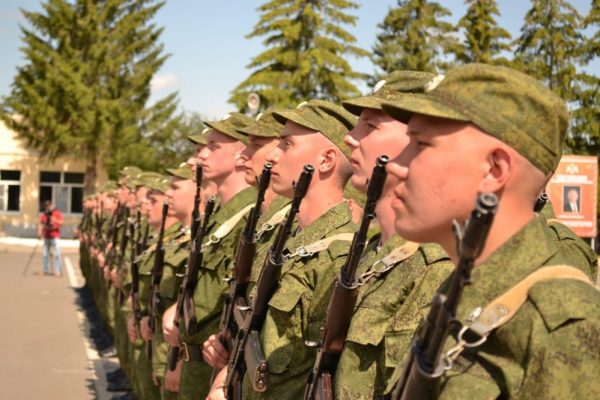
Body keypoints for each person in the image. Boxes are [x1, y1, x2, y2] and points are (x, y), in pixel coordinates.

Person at [380, 63, 600, 398]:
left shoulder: (562, 326)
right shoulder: (459, 290)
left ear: (494, 169)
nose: (395, 164)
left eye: (420, 145)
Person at [206, 99, 358, 400]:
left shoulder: (341, 258)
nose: (272, 156)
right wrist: (225, 377)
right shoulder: (284, 239)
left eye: (286, 145)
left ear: (326, 160)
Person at [38, 200, 64, 276]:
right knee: (45, 254)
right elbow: (40, 223)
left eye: (49, 205)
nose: (48, 207)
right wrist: (39, 233)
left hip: (55, 235)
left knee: (57, 254)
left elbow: (62, 222)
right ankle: (45, 269)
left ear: (52, 205)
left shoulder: (57, 213)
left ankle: (58, 271)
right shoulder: (44, 214)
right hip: (47, 235)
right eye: (46, 206)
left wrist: (54, 219)